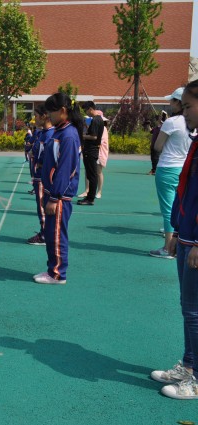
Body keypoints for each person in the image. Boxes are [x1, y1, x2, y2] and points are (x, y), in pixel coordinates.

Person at [151, 79, 198, 399]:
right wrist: (178, 231)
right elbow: (187, 190)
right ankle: (189, 364)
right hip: (187, 236)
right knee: (187, 306)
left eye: (190, 106)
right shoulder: (195, 141)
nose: (184, 113)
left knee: (195, 310)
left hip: (196, 242)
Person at [33, 93, 82, 285]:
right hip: (51, 192)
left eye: (51, 112)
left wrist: (55, 197)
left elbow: (65, 169)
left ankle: (58, 273)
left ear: (62, 111)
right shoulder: (59, 132)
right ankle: (52, 268)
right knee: (51, 233)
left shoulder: (68, 135)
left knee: (57, 235)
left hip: (59, 196)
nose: (48, 116)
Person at [150, 87, 192, 260]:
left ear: (178, 102)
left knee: (168, 208)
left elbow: (157, 146)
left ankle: (168, 248)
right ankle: (179, 240)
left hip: (168, 167)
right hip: (185, 167)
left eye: (172, 101)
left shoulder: (172, 122)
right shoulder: (191, 121)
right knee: (181, 205)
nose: (170, 104)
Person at [27, 105, 55, 246]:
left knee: (43, 207)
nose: (35, 119)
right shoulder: (42, 133)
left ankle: (45, 234)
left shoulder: (51, 134)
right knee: (40, 206)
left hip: (43, 177)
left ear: (44, 116)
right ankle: (45, 232)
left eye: (36, 116)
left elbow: (50, 157)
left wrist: (41, 164)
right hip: (39, 175)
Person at [77, 101, 103, 206]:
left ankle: (90, 198)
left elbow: (94, 136)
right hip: (91, 150)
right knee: (90, 174)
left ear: (91, 109)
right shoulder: (96, 120)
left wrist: (82, 135)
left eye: (86, 110)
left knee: (92, 175)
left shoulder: (96, 120)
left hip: (91, 150)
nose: (86, 112)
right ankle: (89, 197)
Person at [149, 111, 167, 175]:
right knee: (153, 158)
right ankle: (153, 170)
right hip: (152, 145)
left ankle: (156, 170)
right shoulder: (156, 128)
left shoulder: (162, 128)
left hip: (158, 145)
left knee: (156, 158)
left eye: (157, 119)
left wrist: (163, 116)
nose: (156, 121)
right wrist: (147, 125)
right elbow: (151, 131)